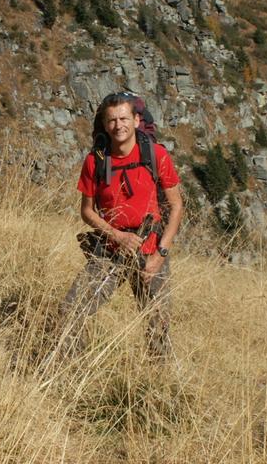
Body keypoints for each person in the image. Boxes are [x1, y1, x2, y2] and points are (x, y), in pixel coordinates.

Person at [57, 92, 184, 360]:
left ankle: (159, 377)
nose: (119, 125)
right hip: (110, 250)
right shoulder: (95, 161)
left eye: (124, 118)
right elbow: (87, 211)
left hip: (150, 249)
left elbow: (176, 206)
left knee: (158, 322)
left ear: (136, 120)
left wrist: (160, 254)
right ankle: (72, 369)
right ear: (105, 125)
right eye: (112, 120)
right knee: (72, 309)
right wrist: (117, 235)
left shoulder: (155, 154)